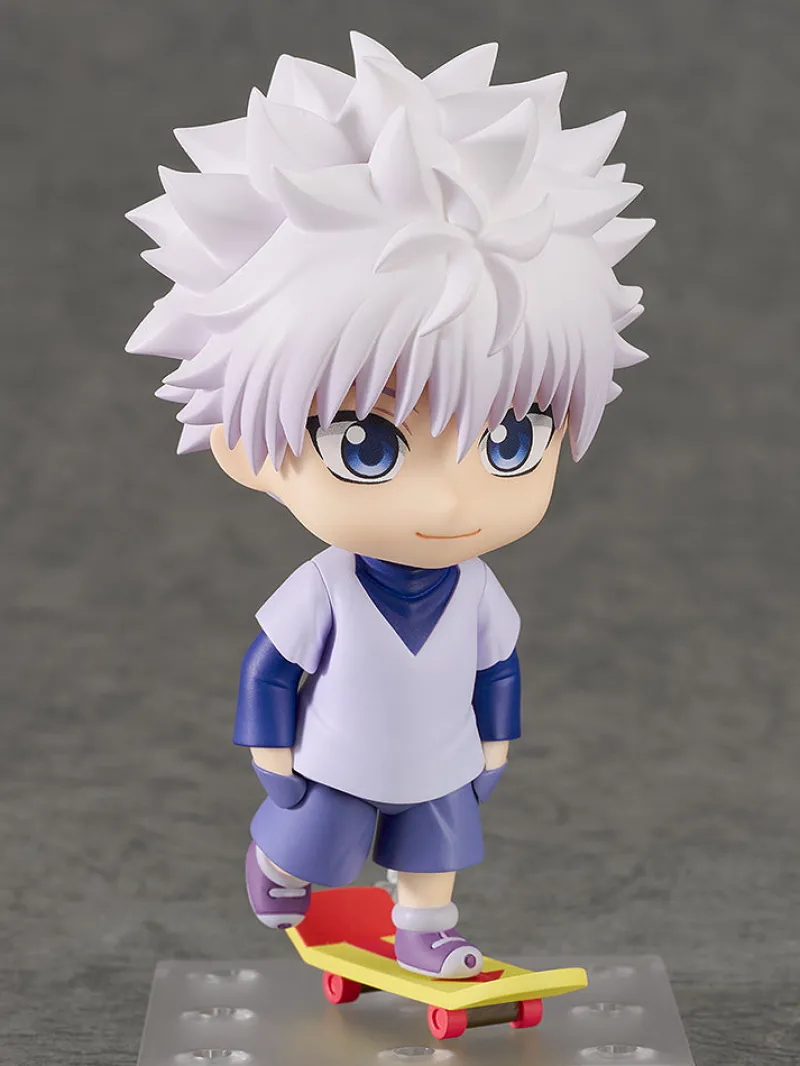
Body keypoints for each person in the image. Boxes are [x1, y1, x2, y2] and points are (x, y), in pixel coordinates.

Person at [126, 31, 654, 979]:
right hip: (333, 761)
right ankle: (277, 862)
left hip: (443, 763)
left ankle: (427, 929)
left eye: (512, 439)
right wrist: (271, 760)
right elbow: (271, 670)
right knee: (315, 840)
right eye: (368, 447)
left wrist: (496, 748)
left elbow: (498, 668)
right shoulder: (327, 587)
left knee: (433, 850)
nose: (450, 498)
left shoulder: (478, 590)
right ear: (246, 450)